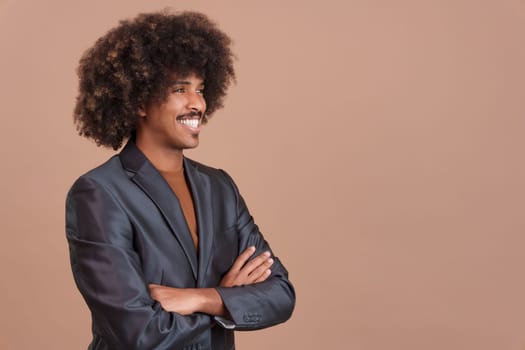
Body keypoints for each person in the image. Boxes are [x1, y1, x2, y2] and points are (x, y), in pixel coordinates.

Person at [65, 10, 295, 350]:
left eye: (201, 89)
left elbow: (280, 294)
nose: (197, 103)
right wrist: (227, 299)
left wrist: (202, 299)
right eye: (179, 89)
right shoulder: (99, 193)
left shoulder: (220, 188)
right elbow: (139, 333)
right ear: (140, 100)